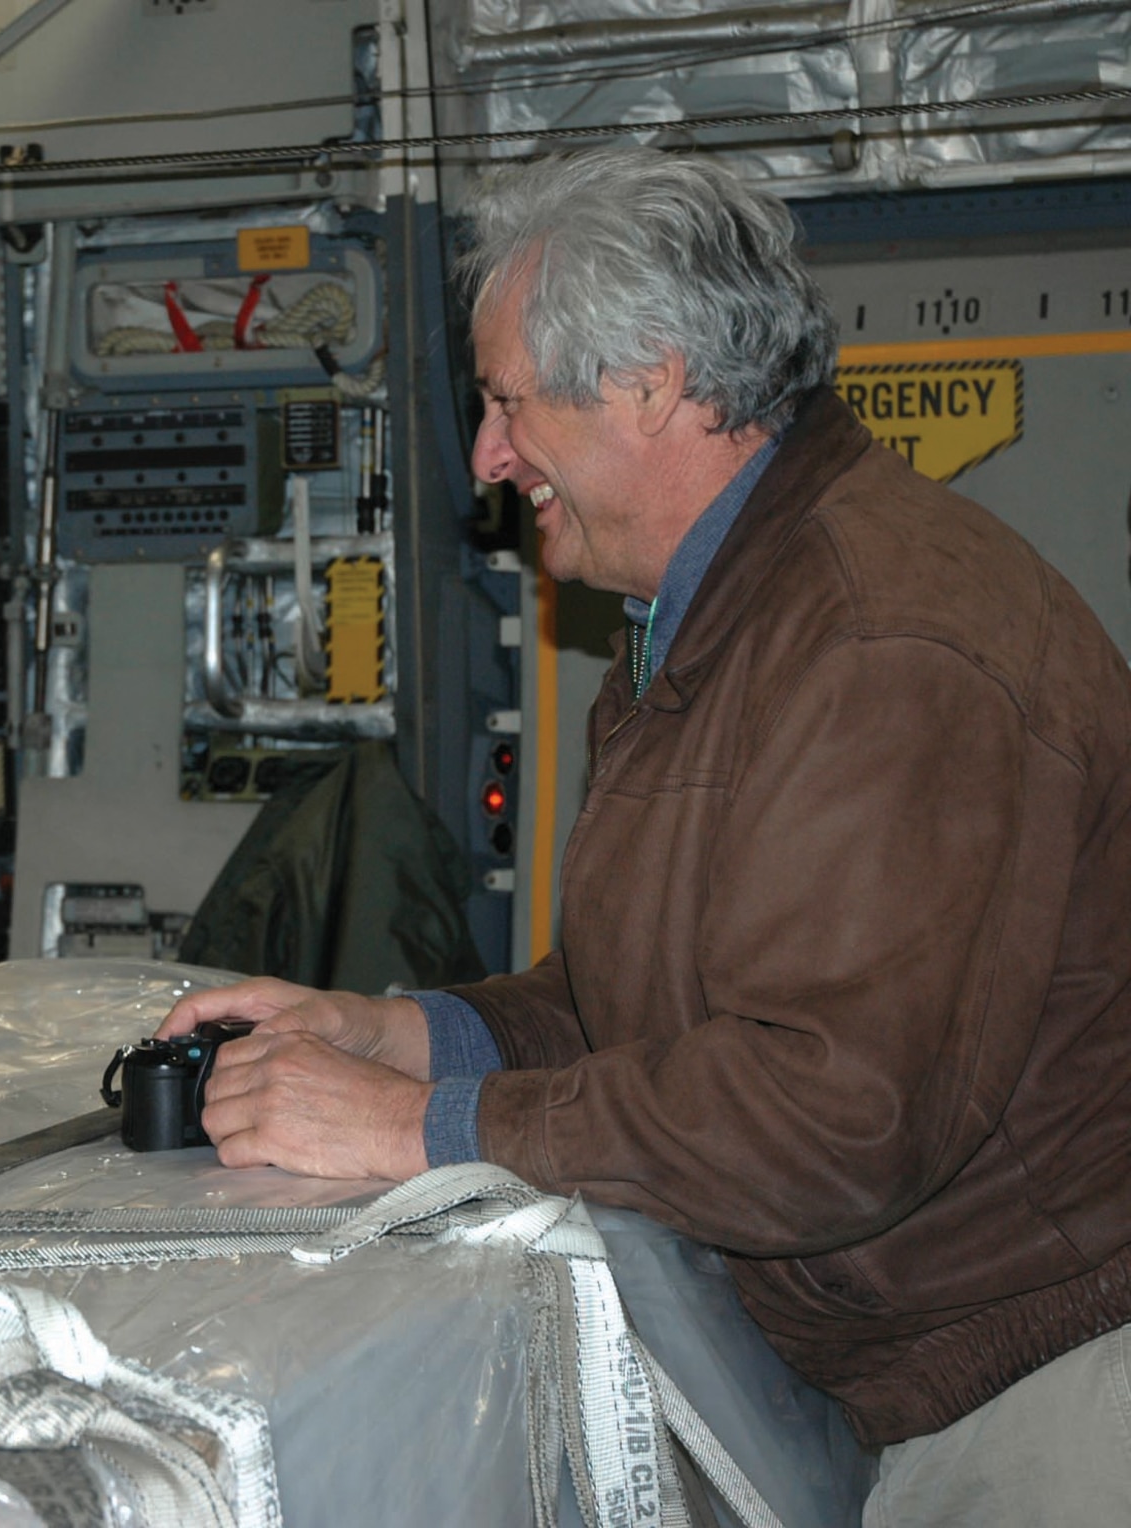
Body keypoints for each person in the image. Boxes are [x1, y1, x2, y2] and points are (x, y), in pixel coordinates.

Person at [160, 147, 1131, 1523]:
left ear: (653, 380)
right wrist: (403, 1034)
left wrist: (423, 1130)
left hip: (1043, 1390)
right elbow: (653, 998)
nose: (491, 457)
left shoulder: (876, 640)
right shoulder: (720, 614)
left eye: (506, 402)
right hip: (906, 1367)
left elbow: (831, 1115)